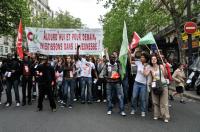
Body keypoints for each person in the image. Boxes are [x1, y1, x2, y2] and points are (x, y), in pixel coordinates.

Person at [150, 55, 170, 123]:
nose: (153, 60)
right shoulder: (151, 68)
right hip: (155, 86)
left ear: (157, 59)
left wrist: (164, 68)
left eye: (155, 58)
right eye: (152, 59)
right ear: (151, 60)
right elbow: (151, 76)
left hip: (163, 85)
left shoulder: (161, 66)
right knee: (155, 101)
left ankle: (165, 116)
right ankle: (157, 115)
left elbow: (165, 75)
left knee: (164, 102)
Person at [130, 49, 150, 117]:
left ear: (146, 58)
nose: (141, 58)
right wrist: (130, 54)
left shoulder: (148, 66)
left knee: (142, 98)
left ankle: (143, 111)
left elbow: (145, 75)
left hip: (143, 84)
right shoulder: (138, 62)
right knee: (134, 97)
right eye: (141, 57)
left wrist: (144, 67)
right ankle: (133, 109)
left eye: (143, 57)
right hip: (136, 82)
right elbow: (130, 61)